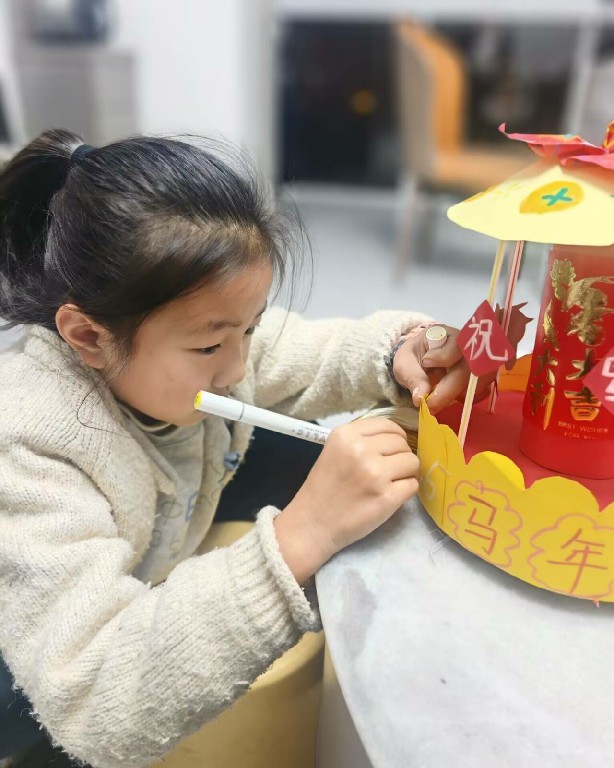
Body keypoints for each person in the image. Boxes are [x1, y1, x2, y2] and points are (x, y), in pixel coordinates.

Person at [0, 130, 481, 768]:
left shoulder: (210, 340)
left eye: (248, 328)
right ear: (88, 337)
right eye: (209, 346)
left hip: (161, 534)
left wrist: (397, 352)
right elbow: (91, 700)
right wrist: (301, 536)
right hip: (30, 661)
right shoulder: (29, 441)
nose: (236, 368)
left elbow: (302, 349)